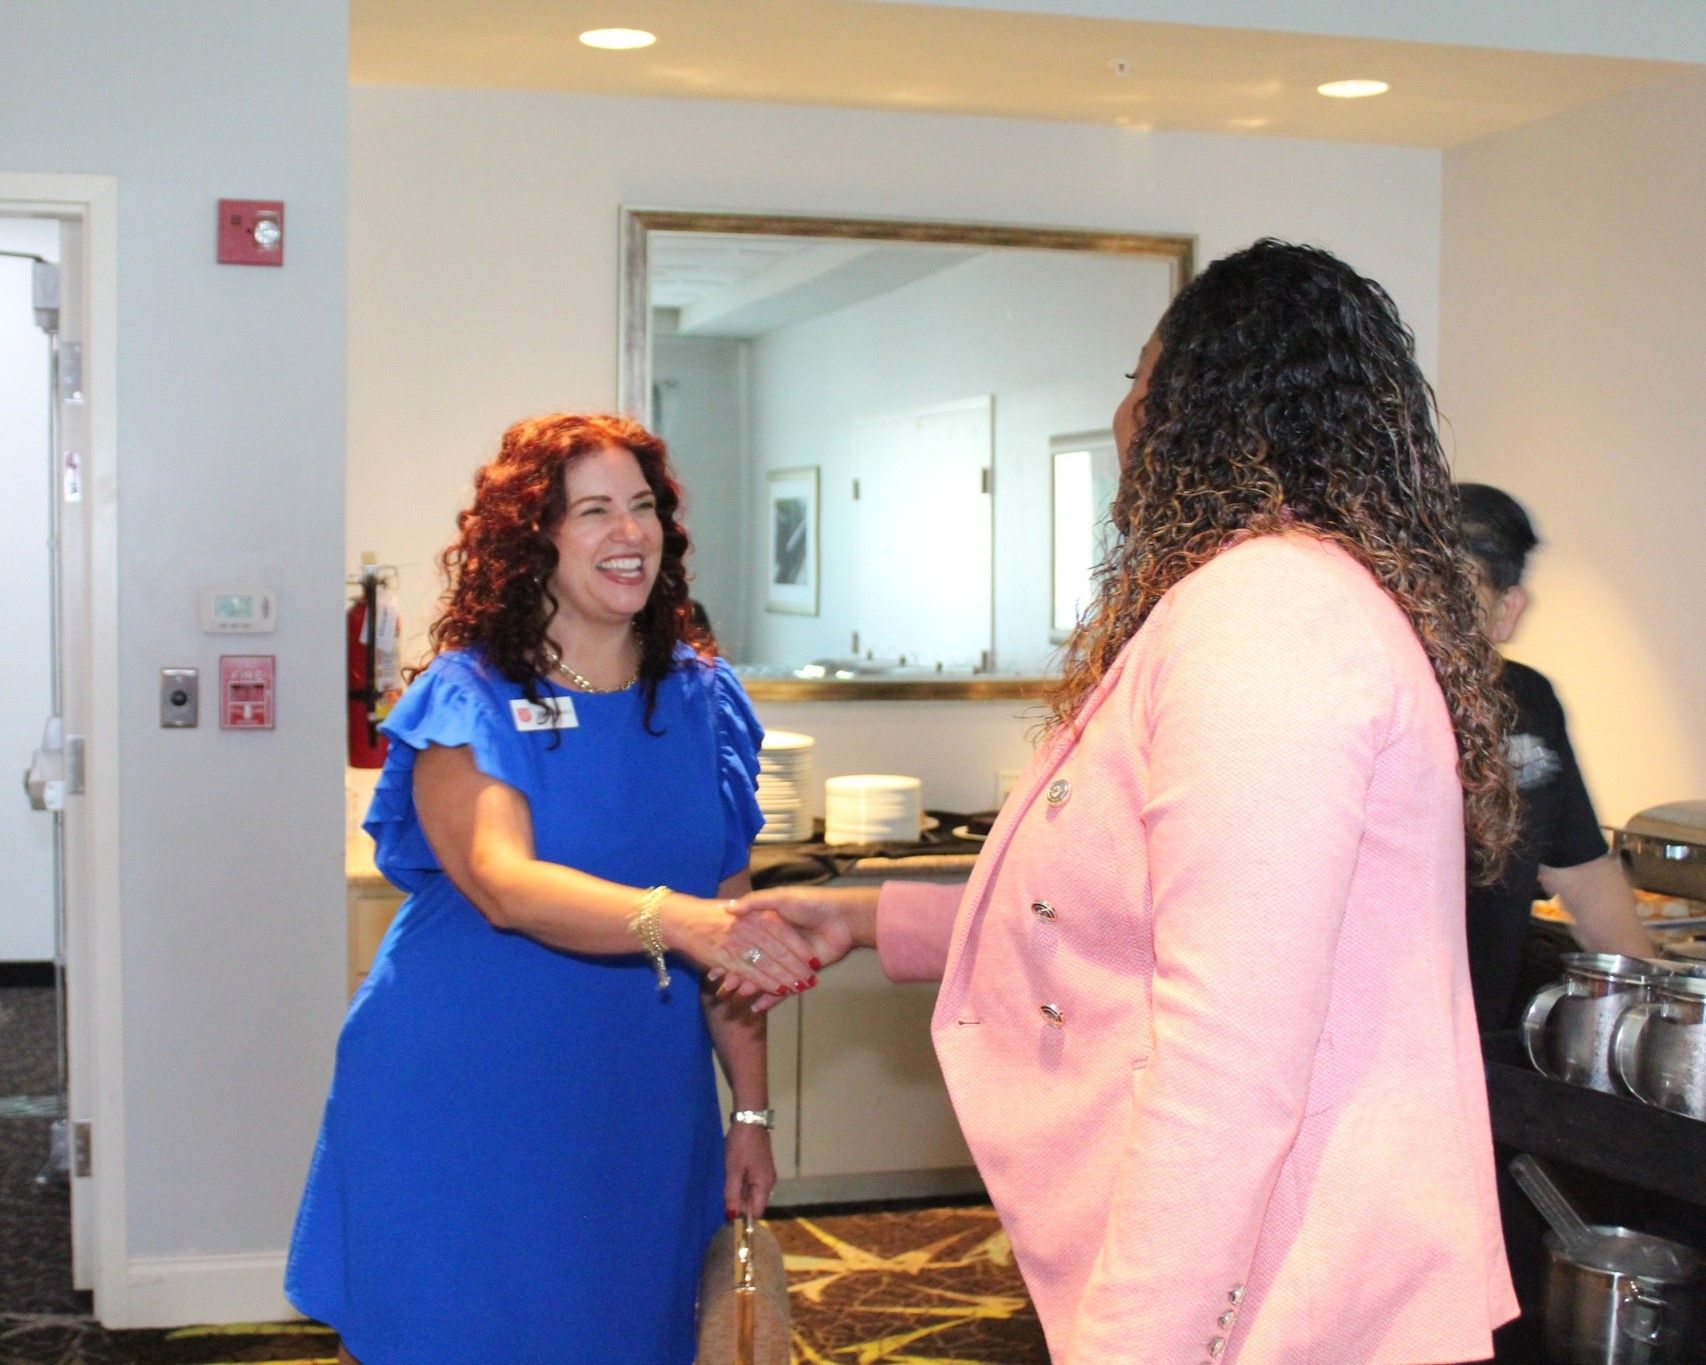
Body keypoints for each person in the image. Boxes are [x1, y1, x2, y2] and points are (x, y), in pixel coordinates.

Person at [729, 241, 1523, 1362]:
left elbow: (1230, 1051)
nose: (1119, 420)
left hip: (1286, 1291)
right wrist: (863, 919)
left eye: (1135, 382)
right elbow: (1129, 910)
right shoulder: (1263, 598)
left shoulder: (1267, 618)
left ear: (1194, 412)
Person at [286, 414, 818, 1364]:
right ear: (533, 540)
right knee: (466, 1330)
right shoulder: (469, 694)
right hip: (468, 1086)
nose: (630, 532)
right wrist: (677, 919)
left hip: (641, 1098)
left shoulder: (706, 702)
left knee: (627, 1326)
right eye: (594, 511)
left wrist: (751, 1112)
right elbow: (504, 882)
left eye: (644, 507)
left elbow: (731, 940)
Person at [1455, 483, 1654, 1031]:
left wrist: (1662, 1003)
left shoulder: (1529, 702)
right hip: (1364, 1053)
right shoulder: (1367, 701)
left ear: (1506, 610)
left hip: (1479, 1046)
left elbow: (1586, 880)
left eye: (1459, 597)